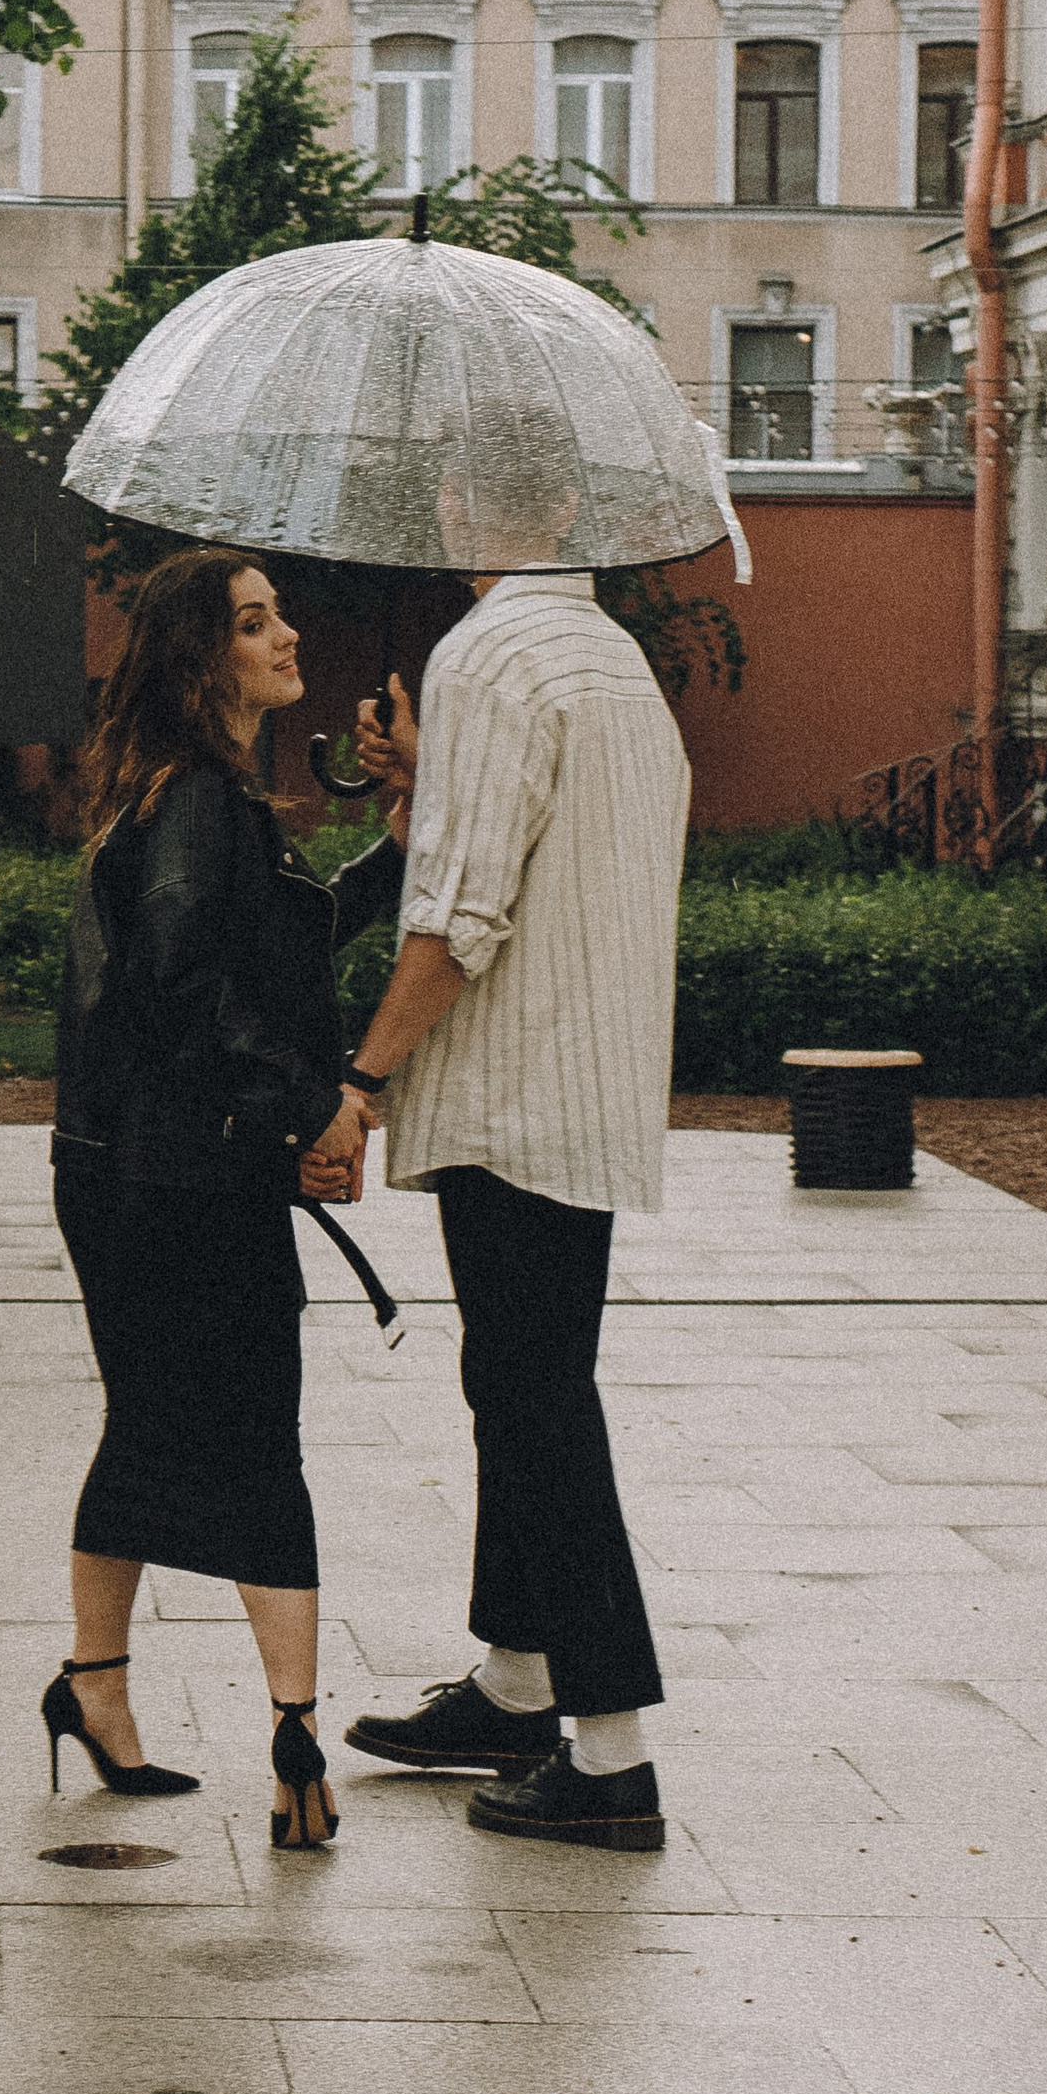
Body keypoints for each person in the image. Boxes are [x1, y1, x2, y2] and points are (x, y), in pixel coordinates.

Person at [312, 536, 689, 1856]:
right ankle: (516, 1686)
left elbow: (458, 915)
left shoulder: (487, 658)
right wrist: (422, 782)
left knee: (535, 1398)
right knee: (521, 1382)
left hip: (514, 1091)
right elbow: (514, 851)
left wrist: (362, 1078)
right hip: (588, 1089)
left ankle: (613, 1751)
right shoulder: (611, 661)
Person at [50, 547, 408, 1847]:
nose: (286, 634)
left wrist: (395, 850)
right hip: (166, 1177)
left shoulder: (206, 796)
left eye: (278, 615)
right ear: (207, 658)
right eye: (255, 623)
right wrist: (312, 1106)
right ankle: (294, 1738)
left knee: (156, 1427)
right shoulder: (199, 798)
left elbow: (277, 945)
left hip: (136, 1166)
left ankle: (98, 1689)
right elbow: (183, 997)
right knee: (253, 1434)